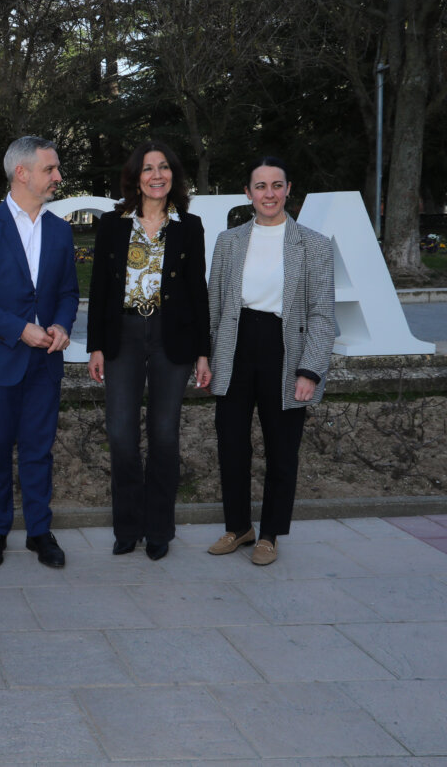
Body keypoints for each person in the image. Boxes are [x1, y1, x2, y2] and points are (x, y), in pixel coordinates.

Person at [0, 136, 79, 569]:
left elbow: (67, 292)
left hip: (45, 363)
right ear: (21, 173)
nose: (58, 177)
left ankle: (40, 533)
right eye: (51, 169)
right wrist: (19, 330)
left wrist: (62, 325)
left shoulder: (61, 230)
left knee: (39, 449)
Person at [206, 156, 336, 566]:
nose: (269, 194)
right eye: (260, 186)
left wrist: (310, 370)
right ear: (248, 193)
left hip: (286, 354)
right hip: (235, 349)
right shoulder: (228, 242)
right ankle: (239, 527)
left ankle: (270, 535)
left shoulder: (313, 244)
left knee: (282, 451)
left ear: (288, 189)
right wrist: (206, 358)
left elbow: (322, 313)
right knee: (231, 444)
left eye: (276, 185)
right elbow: (214, 306)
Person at [86, 141, 211, 561]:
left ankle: (159, 529)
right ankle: (127, 527)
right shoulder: (113, 223)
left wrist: (203, 352)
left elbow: (198, 291)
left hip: (170, 336)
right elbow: (99, 289)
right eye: (148, 168)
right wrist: (97, 346)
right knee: (121, 434)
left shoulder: (189, 226)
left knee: (164, 435)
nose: (156, 175)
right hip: (122, 334)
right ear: (135, 177)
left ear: (173, 175)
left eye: (164, 168)